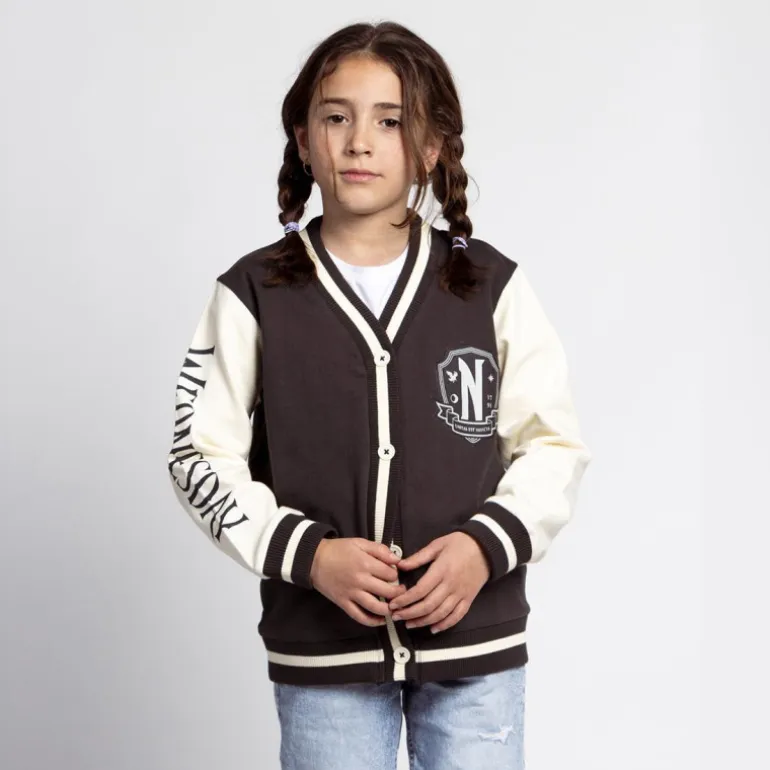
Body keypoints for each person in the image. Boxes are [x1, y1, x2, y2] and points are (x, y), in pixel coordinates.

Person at [166, 19, 591, 770]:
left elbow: (553, 446)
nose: (360, 141)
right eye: (337, 118)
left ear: (431, 147)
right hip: (324, 648)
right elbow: (196, 455)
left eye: (390, 122)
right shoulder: (254, 293)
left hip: (473, 641)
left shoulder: (489, 285)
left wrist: (483, 546)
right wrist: (308, 555)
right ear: (304, 140)